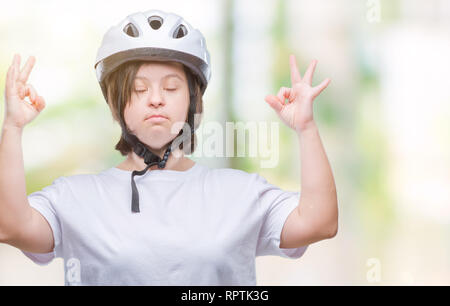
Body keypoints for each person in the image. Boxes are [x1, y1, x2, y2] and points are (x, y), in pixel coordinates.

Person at [0, 9, 338, 286]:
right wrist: (13, 127)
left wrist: (306, 129)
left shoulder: (241, 192)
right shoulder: (75, 197)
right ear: (116, 104)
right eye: (139, 88)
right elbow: (10, 226)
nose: (157, 98)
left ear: (193, 100)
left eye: (172, 87)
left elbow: (320, 222)